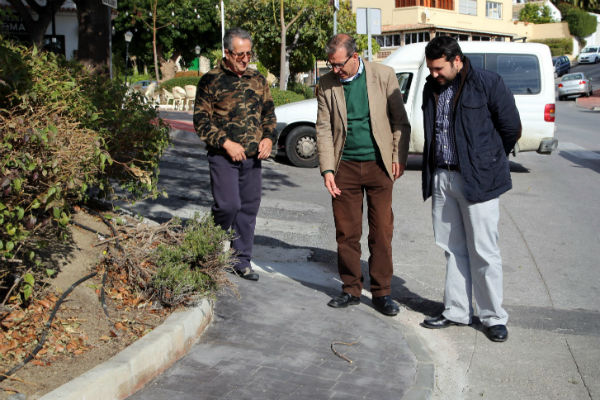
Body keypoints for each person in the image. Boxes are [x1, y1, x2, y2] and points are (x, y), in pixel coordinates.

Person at [420, 36, 521, 342]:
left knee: (484, 251)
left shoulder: (488, 83)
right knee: (452, 249)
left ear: (457, 60)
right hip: (443, 177)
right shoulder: (431, 87)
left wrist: (487, 161)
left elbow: (511, 128)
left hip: (479, 180)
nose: (434, 74)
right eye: (431, 69)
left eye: (439, 68)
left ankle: (493, 317)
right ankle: (456, 311)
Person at [316, 34, 411, 316]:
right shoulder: (326, 84)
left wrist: (398, 157)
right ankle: (350, 289)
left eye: (339, 65)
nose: (335, 70)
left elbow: (399, 121)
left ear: (355, 57)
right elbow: (322, 128)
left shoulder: (383, 75)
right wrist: (327, 169)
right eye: (331, 65)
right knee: (347, 233)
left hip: (379, 165)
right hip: (344, 166)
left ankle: (382, 292)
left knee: (381, 231)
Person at [193, 27, 276, 281]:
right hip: (223, 157)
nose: (245, 59)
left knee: (248, 209)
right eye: (240, 54)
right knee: (228, 206)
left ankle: (241, 261)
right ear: (227, 53)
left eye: (248, 54)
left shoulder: (258, 80)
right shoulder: (210, 80)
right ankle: (207, 252)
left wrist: (269, 138)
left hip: (252, 159)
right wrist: (226, 143)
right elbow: (201, 121)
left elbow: (269, 115)